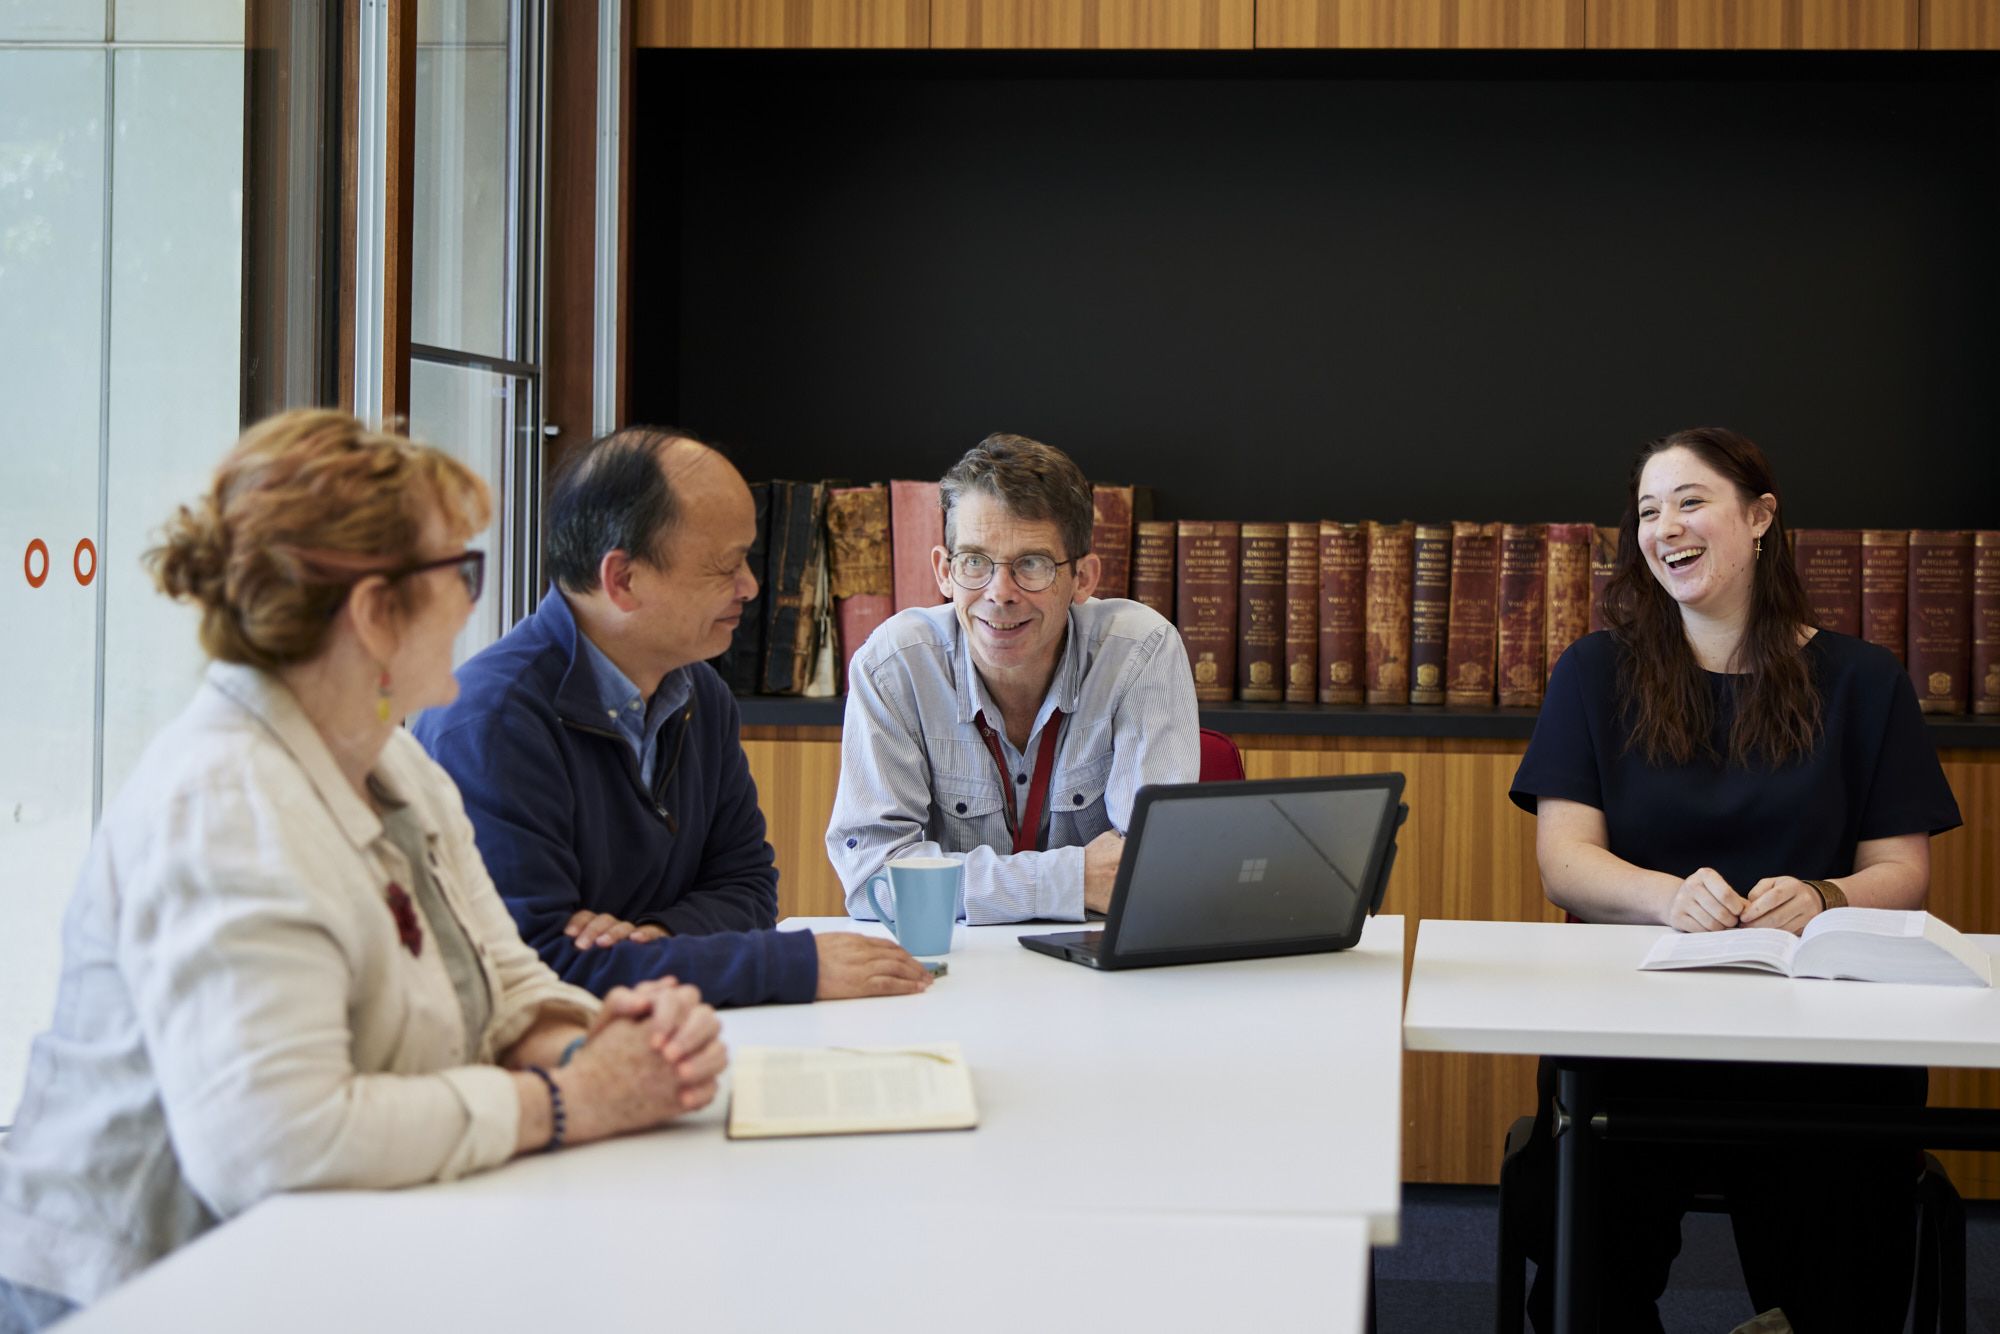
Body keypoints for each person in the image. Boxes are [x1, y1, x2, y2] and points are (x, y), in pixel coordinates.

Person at [0, 412, 727, 1332]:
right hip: (134, 1292)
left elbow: (502, 980)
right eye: (460, 573)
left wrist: (605, 1040)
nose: (477, 602)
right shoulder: (224, 805)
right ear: (375, 612)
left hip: (311, 1261)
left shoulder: (394, 759)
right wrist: (565, 1099)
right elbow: (274, 1142)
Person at [1508, 427, 1962, 1333]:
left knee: (1843, 1249)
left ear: (1759, 519)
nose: (1664, 526)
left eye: (1689, 501)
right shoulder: (1594, 671)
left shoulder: (1866, 680)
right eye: (1646, 510)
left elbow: (1902, 871)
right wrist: (1665, 897)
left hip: (1821, 1051)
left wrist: (1825, 899)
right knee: (1588, 1240)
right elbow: (1565, 860)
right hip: (1637, 1042)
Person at [412, 427, 929, 1006]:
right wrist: (790, 965)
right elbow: (538, 970)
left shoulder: (698, 692)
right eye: (726, 566)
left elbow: (751, 888)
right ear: (623, 580)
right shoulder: (491, 723)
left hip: (667, 1039)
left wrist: (655, 940)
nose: (751, 586)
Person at [827, 433, 1201, 924]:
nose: (999, 593)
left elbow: (1153, 869)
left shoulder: (1140, 652)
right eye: (975, 561)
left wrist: (956, 885)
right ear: (944, 572)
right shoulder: (893, 667)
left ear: (1083, 579)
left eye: (1032, 564)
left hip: (1100, 974)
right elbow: (875, 881)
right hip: (955, 972)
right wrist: (1074, 879)